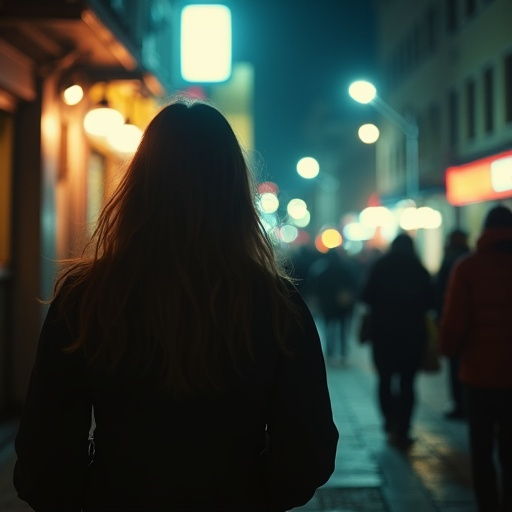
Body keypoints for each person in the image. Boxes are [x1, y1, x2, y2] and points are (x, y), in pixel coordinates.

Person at [13, 98, 338, 512]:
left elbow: (44, 451)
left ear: (140, 185)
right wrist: (257, 494)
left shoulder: (87, 297)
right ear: (234, 192)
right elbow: (310, 449)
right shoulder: (276, 304)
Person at [439, 204, 512, 512]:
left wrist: (447, 350)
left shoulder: (467, 267)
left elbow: (454, 321)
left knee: (480, 450)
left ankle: (488, 505)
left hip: (478, 374)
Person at [360, 233, 434, 449]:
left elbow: (365, 296)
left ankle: (388, 421)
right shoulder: (419, 268)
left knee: (384, 379)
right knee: (407, 383)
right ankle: (403, 428)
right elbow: (431, 301)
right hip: (412, 336)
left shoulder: (380, 266)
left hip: (383, 334)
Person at [434, 229, 470, 420]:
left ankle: (459, 405)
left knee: (456, 365)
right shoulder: (470, 259)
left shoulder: (456, 263)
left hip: (457, 322)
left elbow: (441, 295)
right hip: (478, 329)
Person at [308, 248, 358, 365]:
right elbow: (353, 286)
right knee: (342, 330)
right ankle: (343, 353)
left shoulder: (322, 270)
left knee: (328, 329)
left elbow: (316, 288)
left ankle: (330, 352)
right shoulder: (346, 269)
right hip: (342, 305)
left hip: (328, 305)